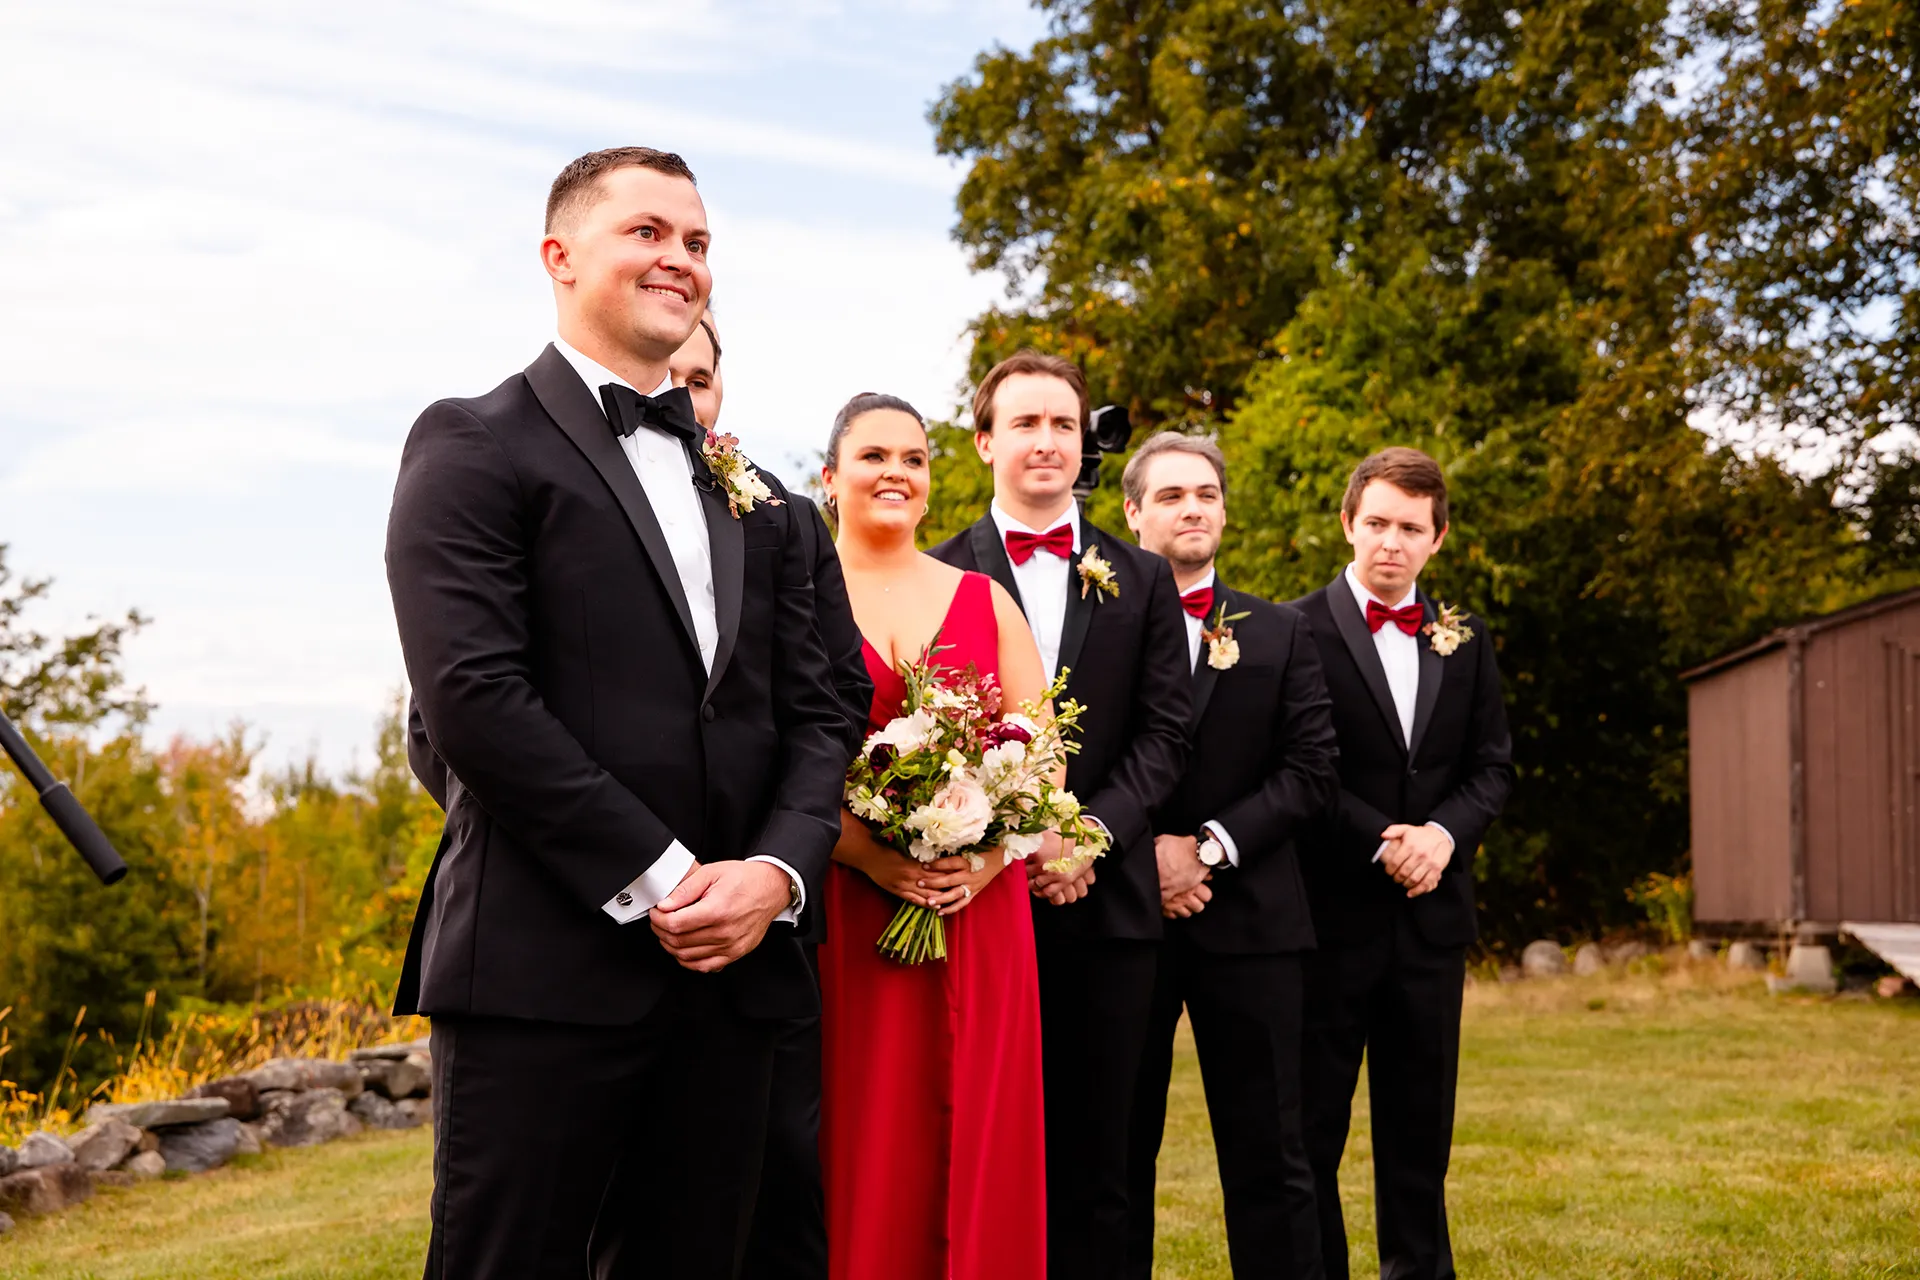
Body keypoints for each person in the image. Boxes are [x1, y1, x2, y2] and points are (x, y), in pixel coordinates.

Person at [385, 146, 851, 1280]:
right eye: (647, 232)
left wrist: (778, 874)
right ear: (558, 255)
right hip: (544, 973)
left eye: (696, 242)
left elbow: (823, 708)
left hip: (735, 974)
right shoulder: (473, 441)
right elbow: (474, 701)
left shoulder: (754, 493)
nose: (680, 259)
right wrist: (665, 875)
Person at [928, 352, 1193, 1280]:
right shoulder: (936, 572)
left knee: (1105, 1160)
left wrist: (1085, 836)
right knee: (977, 1146)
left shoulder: (1144, 578)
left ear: (1084, 445)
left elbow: (1168, 734)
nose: (1047, 442)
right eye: (1027, 424)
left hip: (1107, 908)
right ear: (985, 440)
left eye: (1064, 426)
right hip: (972, 904)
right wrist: (1004, 842)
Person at [815, 393, 1051, 1280]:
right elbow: (771, 762)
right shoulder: (794, 599)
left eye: (913, 458)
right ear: (830, 478)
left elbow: (1045, 759)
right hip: (849, 910)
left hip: (981, 916)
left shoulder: (985, 601)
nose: (896, 473)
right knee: (864, 1129)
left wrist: (989, 859)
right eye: (873, 456)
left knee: (980, 1128)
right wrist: (871, 854)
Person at [666, 308, 872, 1280]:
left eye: (699, 379)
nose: (681, 394)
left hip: (764, 936)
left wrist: (776, 869)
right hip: (586, 936)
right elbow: (453, 721)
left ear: (722, 393)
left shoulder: (783, 520)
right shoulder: (541, 485)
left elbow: (829, 706)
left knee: (778, 1213)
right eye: (665, 372)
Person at [1119, 433, 1340, 1279]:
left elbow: (1313, 771)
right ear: (1134, 513)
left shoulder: (1279, 630)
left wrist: (1207, 849)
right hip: (1123, 920)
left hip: (1253, 926)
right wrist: (1147, 863)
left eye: (1206, 493)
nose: (1193, 508)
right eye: (1172, 495)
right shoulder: (1093, 624)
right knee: (1113, 1152)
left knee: (1271, 1157)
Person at [1290, 447, 1515, 1280]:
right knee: (1313, 1130)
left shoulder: (1466, 635)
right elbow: (1297, 767)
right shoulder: (1292, 630)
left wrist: (1442, 837)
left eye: (1410, 528)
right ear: (1349, 523)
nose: (1391, 542)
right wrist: (1387, 839)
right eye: (1377, 522)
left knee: (1421, 1131)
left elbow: (1491, 765)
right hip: (1327, 918)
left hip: (1431, 922)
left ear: (1438, 538)